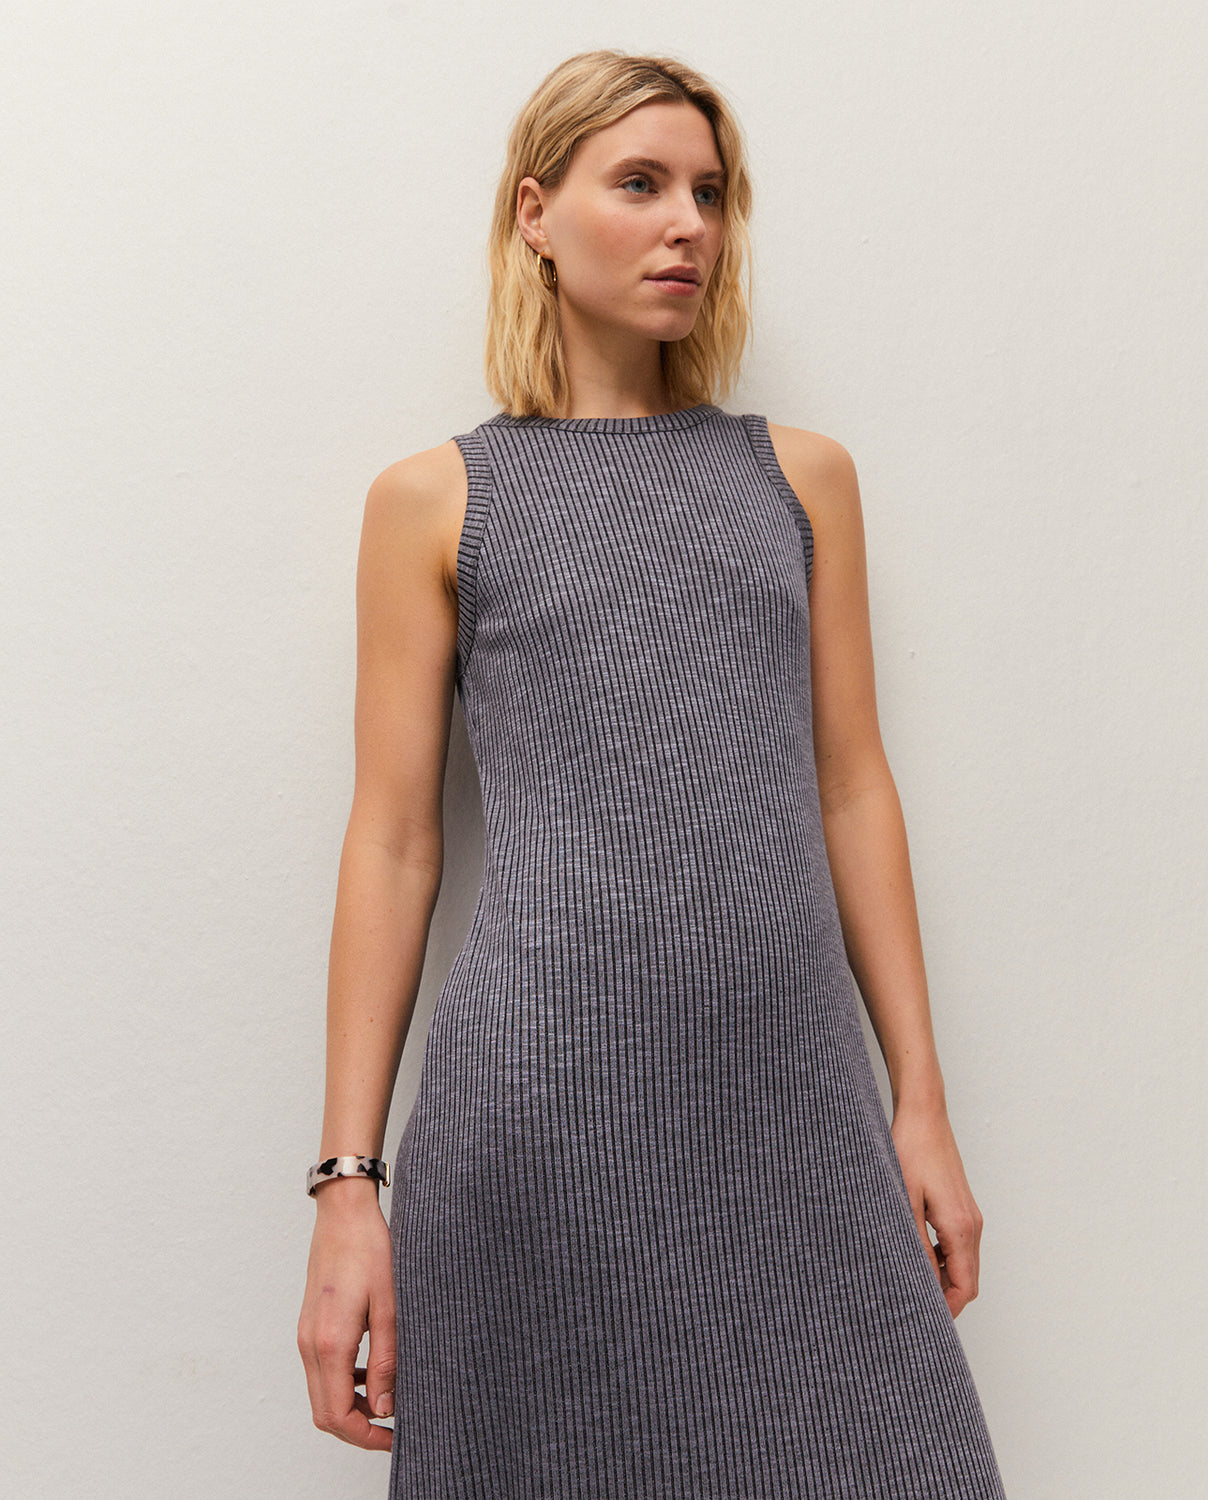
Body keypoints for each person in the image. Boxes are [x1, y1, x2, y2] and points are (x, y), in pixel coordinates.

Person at [297, 48, 1007, 1498]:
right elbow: (395, 843)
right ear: (535, 215)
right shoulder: (435, 501)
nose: (690, 223)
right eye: (641, 184)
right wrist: (347, 1188)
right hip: (539, 1104)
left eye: (711, 192)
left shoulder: (799, 479)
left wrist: (919, 1100)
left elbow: (851, 788)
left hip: (789, 1092)